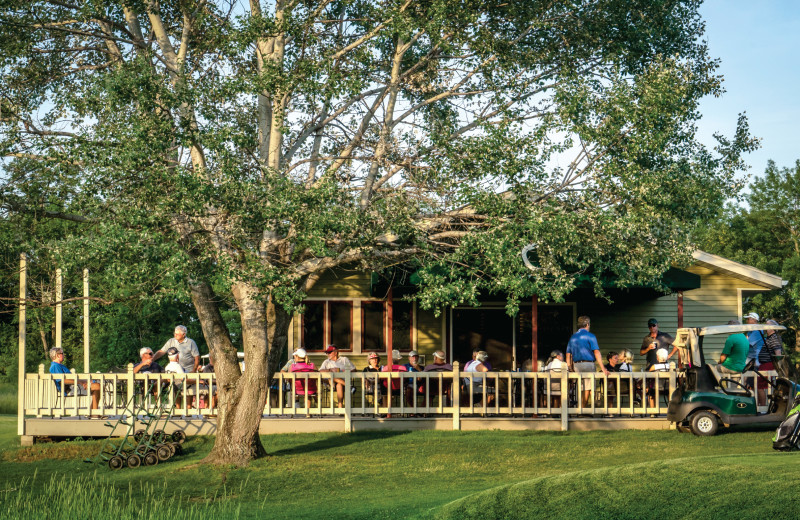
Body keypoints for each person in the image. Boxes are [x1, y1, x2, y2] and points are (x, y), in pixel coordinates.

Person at [566, 315, 608, 407]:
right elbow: (596, 352)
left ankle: (580, 408)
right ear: (587, 324)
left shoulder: (573, 337)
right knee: (588, 387)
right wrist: (603, 368)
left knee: (581, 387)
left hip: (577, 365)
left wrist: (570, 368)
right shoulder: (590, 336)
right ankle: (583, 409)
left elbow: (568, 354)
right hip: (588, 364)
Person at [756, 319, 784, 405]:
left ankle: (763, 408)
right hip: (764, 365)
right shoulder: (769, 338)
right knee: (760, 386)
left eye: (767, 326)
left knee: (760, 386)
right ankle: (762, 406)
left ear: (772, 328)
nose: (765, 327)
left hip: (769, 365)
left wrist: (778, 368)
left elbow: (778, 354)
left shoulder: (774, 338)